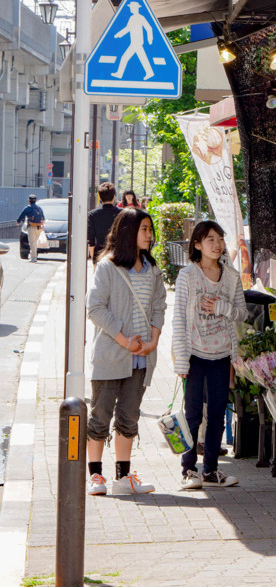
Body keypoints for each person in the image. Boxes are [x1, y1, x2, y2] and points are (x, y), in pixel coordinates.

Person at [85, 208, 166, 495]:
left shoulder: (153, 269)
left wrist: (153, 340)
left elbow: (159, 307)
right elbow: (95, 308)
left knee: (129, 416)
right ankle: (95, 476)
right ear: (128, 232)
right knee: (100, 415)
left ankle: (123, 476)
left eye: (149, 229)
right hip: (111, 354)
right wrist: (122, 338)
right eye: (144, 229)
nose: (149, 235)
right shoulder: (107, 267)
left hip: (142, 356)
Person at [173, 221, 246, 489]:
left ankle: (211, 470)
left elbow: (241, 312)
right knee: (193, 414)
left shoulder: (232, 276)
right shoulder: (187, 276)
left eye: (220, 239)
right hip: (194, 354)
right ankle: (189, 469)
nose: (217, 245)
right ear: (197, 245)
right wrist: (181, 358)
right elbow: (179, 318)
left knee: (216, 413)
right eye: (210, 239)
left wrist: (221, 307)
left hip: (221, 353)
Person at [87, 183, 122, 265]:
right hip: (118, 254)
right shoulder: (122, 213)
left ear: (100, 197)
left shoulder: (93, 214)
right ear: (114, 196)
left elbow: (91, 239)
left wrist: (94, 258)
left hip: (99, 253)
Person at [16, 195, 45, 263]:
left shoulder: (27, 208)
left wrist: (18, 222)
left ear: (29, 200)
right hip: (39, 227)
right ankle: (33, 256)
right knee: (35, 242)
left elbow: (21, 215)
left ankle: (34, 257)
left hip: (31, 227)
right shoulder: (39, 208)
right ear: (35, 200)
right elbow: (43, 218)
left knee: (32, 242)